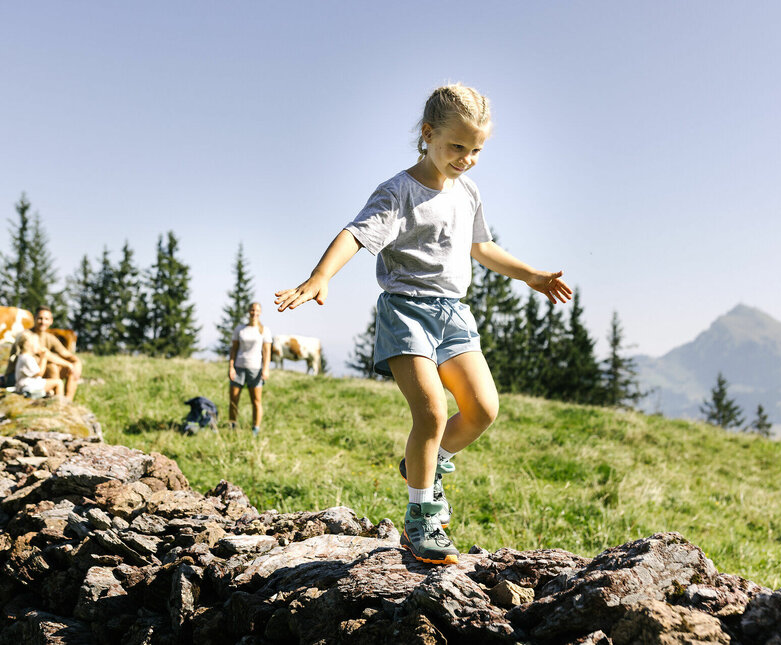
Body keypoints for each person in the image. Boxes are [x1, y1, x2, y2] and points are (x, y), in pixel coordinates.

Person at [274, 84, 572, 565]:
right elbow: (355, 233)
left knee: (483, 409)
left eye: (476, 150)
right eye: (458, 146)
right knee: (432, 412)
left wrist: (530, 275)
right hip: (406, 311)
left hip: (454, 314)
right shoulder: (398, 192)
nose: (467, 159)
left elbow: (481, 247)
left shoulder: (468, 191)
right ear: (428, 134)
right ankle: (421, 519)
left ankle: (428, 463)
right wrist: (320, 276)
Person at [7, 306, 83, 400]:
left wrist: (77, 363)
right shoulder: (27, 336)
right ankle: (56, 399)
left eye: (46, 319)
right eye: (40, 318)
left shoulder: (49, 337)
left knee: (73, 368)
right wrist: (68, 364)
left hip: (35, 374)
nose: (43, 322)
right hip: (18, 377)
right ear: (34, 319)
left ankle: (68, 401)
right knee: (52, 366)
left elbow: (65, 353)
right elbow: (46, 355)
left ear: (51, 321)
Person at [228, 302, 272, 436]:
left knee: (256, 401)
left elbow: (267, 352)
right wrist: (231, 367)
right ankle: (232, 426)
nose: (254, 313)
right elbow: (234, 349)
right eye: (252, 310)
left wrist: (266, 368)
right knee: (233, 400)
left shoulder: (264, 330)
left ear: (260, 312)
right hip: (239, 368)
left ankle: (255, 429)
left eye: (257, 310)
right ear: (248, 311)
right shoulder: (240, 329)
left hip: (255, 369)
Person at [13, 331, 64, 398]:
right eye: (36, 343)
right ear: (28, 344)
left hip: (25, 385)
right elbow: (39, 373)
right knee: (58, 383)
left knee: (51, 390)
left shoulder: (22, 357)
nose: (38, 346)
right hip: (28, 386)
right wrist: (44, 357)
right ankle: (60, 402)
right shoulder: (27, 358)